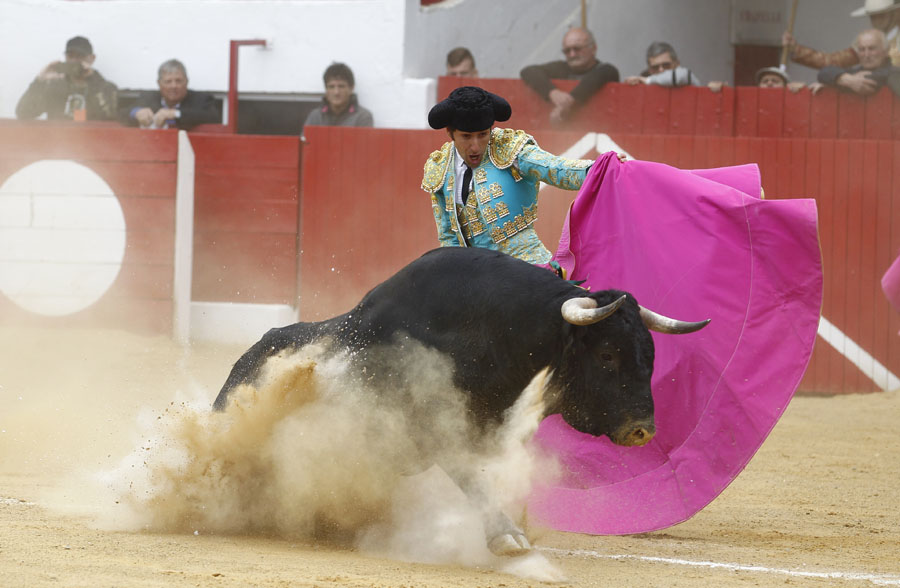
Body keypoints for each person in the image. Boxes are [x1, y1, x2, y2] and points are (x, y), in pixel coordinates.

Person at [421, 86, 600, 266]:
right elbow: (448, 236)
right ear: (450, 133)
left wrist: (603, 168)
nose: (475, 146)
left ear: (491, 128)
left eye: (483, 135)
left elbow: (556, 169)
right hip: (473, 273)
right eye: (466, 137)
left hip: (525, 265)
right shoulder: (440, 166)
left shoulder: (509, 148)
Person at [519, 27, 619, 124]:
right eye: (567, 50)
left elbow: (602, 74)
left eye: (577, 49)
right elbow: (528, 71)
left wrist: (568, 101)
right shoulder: (560, 68)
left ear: (593, 48)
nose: (572, 54)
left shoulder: (606, 70)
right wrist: (553, 93)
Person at [15, 36, 118, 122]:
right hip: (58, 142)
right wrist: (40, 81)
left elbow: (112, 117)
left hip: (93, 142)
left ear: (92, 58)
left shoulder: (106, 88)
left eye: (79, 56)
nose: (74, 61)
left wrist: (93, 80)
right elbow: (23, 113)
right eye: (70, 56)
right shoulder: (54, 86)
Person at [782, 0, 900, 69]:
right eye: (873, 16)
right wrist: (796, 49)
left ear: (896, 13)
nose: (876, 20)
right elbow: (833, 62)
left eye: (882, 15)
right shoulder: (867, 41)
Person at [121, 59, 220, 130]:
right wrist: (136, 112)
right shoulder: (148, 97)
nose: (174, 86)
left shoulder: (201, 99)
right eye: (168, 81)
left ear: (187, 82)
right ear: (159, 84)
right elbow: (120, 113)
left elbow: (213, 117)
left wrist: (175, 114)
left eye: (178, 81)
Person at [812, 29, 900, 96]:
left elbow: (871, 79)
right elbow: (824, 72)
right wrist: (847, 80)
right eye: (862, 49)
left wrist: (835, 83)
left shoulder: (895, 73)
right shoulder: (855, 73)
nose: (866, 54)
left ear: (885, 51)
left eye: (872, 48)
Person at [304, 62, 373, 128]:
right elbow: (304, 140)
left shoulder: (362, 117)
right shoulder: (315, 116)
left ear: (351, 88)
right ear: (326, 89)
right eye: (331, 87)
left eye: (341, 86)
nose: (336, 92)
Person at [624, 42, 704, 87]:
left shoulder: (685, 75)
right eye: (655, 67)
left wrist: (647, 80)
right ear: (650, 70)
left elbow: (681, 76)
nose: (661, 69)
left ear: (677, 63)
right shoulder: (645, 80)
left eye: (666, 65)